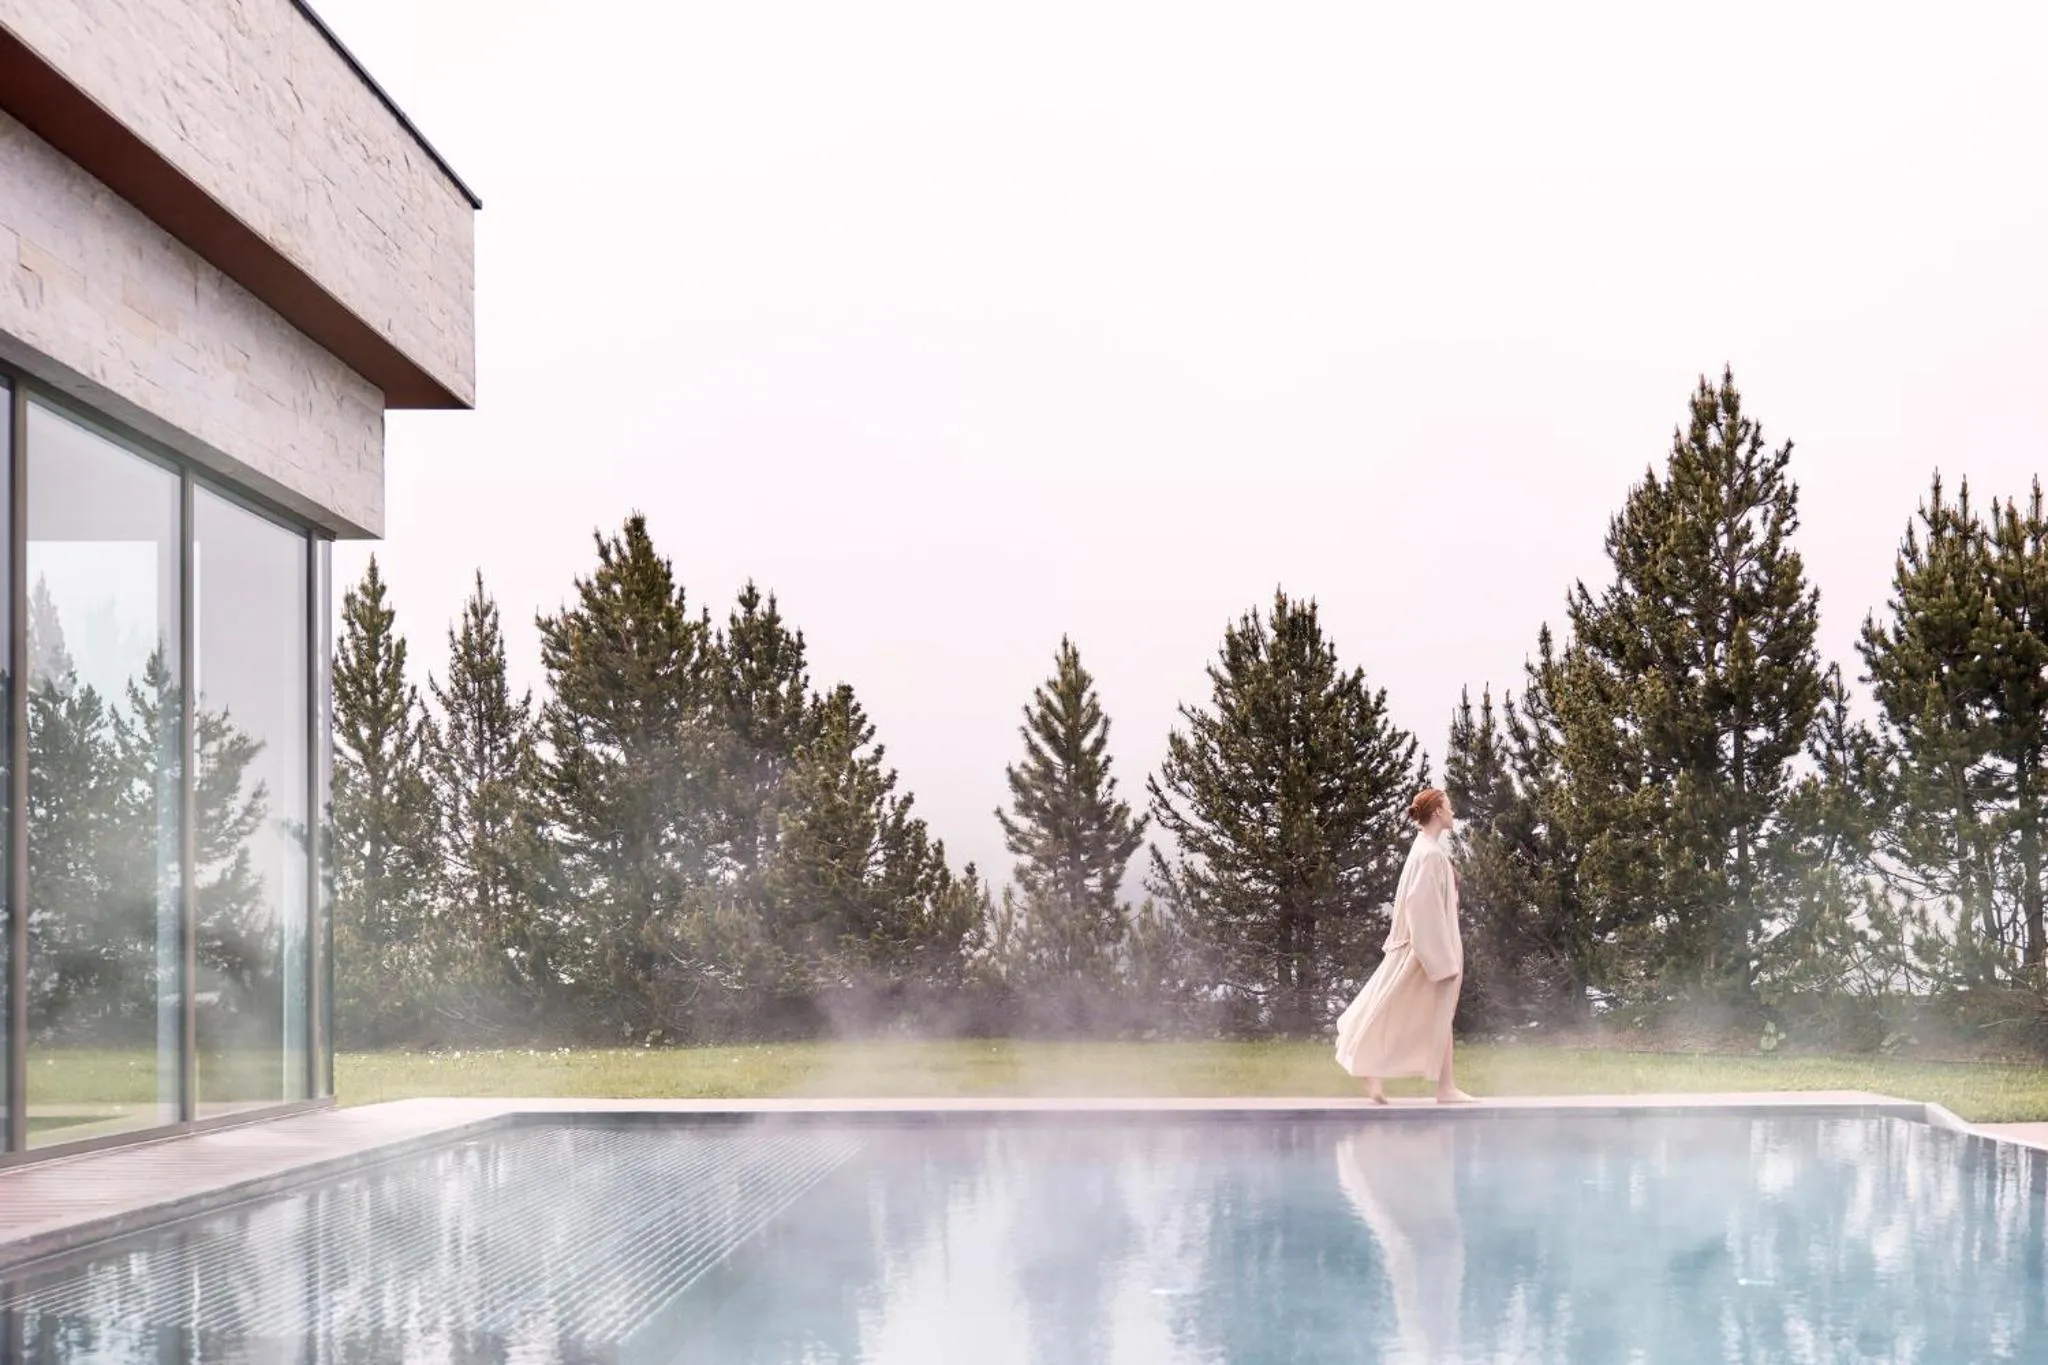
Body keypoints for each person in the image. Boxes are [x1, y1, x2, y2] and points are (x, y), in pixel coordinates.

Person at [1333, 787, 1473, 1103]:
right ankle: (1443, 1087)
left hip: (1422, 949)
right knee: (1397, 1009)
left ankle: (1443, 1085)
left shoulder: (1425, 850)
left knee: (1401, 1008)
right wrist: (1442, 963)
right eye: (1449, 806)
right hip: (1425, 953)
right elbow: (1420, 906)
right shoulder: (1430, 854)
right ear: (1437, 811)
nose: (1453, 812)